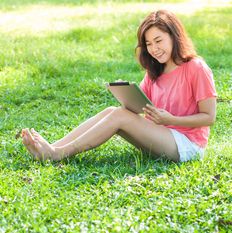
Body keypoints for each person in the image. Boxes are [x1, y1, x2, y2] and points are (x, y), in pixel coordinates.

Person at [22, 9, 217, 162]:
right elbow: (135, 109)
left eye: (159, 41)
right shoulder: (155, 71)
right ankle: (52, 147)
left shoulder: (196, 67)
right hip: (163, 136)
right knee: (112, 110)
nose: (154, 49)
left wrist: (171, 119)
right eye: (149, 44)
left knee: (119, 115)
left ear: (174, 37)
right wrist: (128, 98)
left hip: (188, 145)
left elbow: (209, 117)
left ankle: (57, 154)